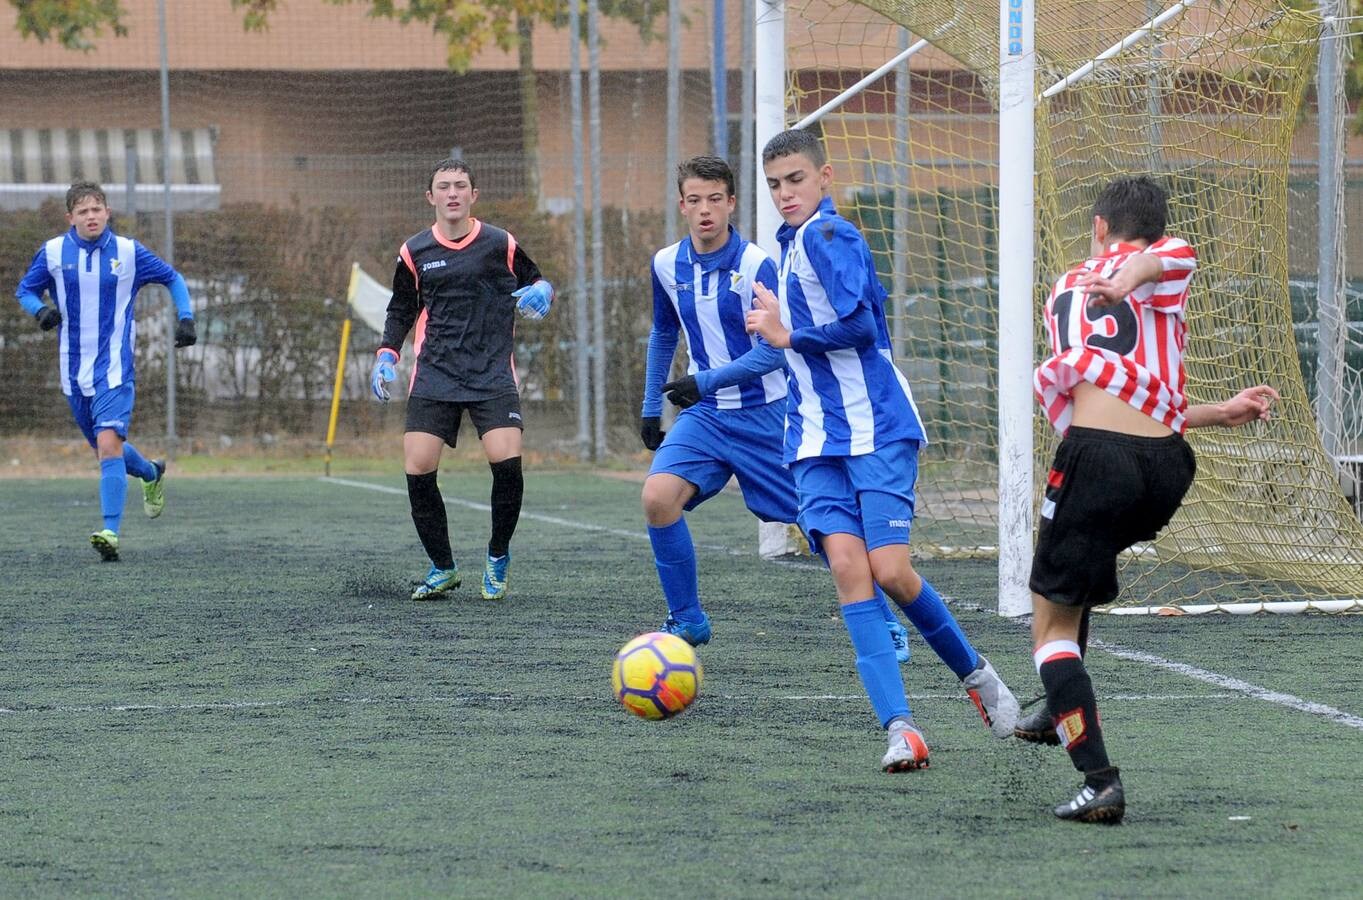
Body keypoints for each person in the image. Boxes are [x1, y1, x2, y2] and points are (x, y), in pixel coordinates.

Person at [740, 128, 1019, 772]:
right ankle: (901, 730)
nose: (785, 193)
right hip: (814, 438)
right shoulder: (785, 248)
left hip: (876, 427)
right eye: (776, 184)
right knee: (847, 568)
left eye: (796, 180)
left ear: (825, 177)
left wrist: (784, 333)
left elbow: (861, 326)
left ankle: (979, 679)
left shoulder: (832, 235)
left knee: (891, 570)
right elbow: (796, 337)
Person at [1019, 175, 1280, 823]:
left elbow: (1147, 263)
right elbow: (1141, 396)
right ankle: (1058, 702)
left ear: (1101, 227)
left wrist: (1128, 277)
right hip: (1165, 466)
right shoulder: (1171, 265)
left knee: (1047, 623)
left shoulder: (1070, 284)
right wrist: (1223, 411)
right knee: (1068, 584)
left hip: (1098, 460)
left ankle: (1097, 779)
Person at [642, 156, 909, 659]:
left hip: (768, 416)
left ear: (732, 203)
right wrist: (648, 405)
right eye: (694, 200)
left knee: (829, 531)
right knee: (657, 497)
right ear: (681, 204)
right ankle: (688, 620)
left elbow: (771, 351)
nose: (705, 211)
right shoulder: (664, 263)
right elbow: (663, 331)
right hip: (705, 417)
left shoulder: (758, 264)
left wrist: (705, 380)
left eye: (715, 199)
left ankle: (884, 618)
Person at [371, 157, 554, 602]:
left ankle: (497, 555)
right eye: (444, 186)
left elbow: (536, 278)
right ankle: (443, 568)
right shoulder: (414, 252)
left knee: (506, 460)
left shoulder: (499, 243)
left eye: (461, 186)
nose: (452, 193)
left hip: (491, 369)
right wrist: (386, 355)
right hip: (435, 372)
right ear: (430, 197)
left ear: (473, 195)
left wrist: (542, 291)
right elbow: (401, 310)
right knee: (417, 465)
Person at [15, 181, 197, 562]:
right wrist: (41, 311)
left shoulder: (129, 252)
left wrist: (186, 317)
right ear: (71, 218)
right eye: (83, 211)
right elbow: (25, 291)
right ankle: (150, 473)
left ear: (107, 212)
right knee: (104, 447)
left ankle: (110, 532)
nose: (91, 215)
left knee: (109, 444)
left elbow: (172, 278)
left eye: (97, 208)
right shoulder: (52, 252)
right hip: (73, 370)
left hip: (115, 367)